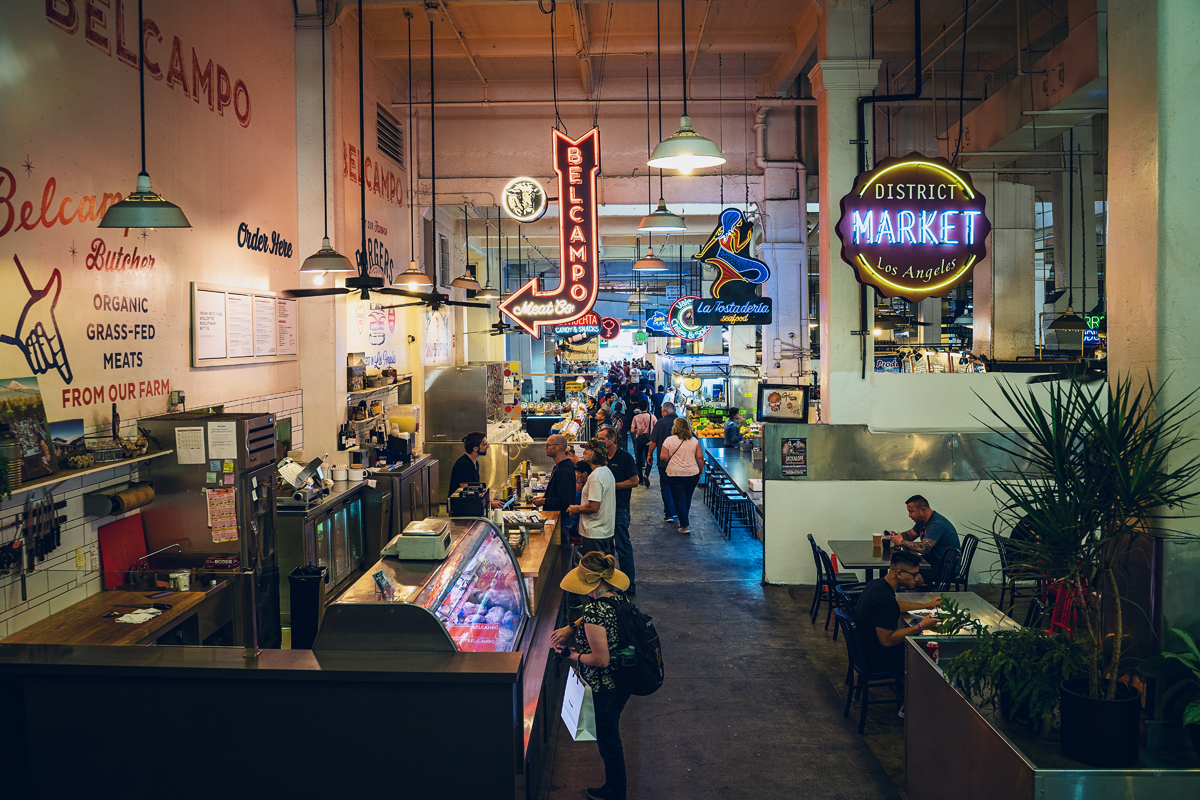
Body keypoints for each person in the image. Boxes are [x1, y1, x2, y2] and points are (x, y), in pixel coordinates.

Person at [551, 552, 634, 800]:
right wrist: (573, 626)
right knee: (610, 740)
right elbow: (594, 617)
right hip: (621, 680)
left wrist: (570, 655)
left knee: (609, 744)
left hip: (605, 686)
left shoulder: (596, 611)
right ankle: (613, 789)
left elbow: (600, 659)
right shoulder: (619, 597)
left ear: (591, 586)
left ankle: (615, 794)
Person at [855, 550, 942, 710]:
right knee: (926, 657)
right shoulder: (884, 600)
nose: (917, 579)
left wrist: (926, 606)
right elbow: (887, 641)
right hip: (877, 660)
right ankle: (914, 707)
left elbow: (896, 605)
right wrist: (921, 626)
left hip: (864, 651)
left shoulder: (877, 585)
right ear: (899, 573)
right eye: (914, 574)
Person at [597, 425, 639, 595]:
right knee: (607, 549)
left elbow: (634, 481)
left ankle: (628, 586)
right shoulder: (600, 458)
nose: (600, 441)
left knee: (623, 547)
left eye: (602, 439)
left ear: (612, 440)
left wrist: (611, 486)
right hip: (603, 509)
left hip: (619, 509)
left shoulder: (625, 458)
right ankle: (609, 584)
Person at [886, 494, 961, 581]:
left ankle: (921, 589)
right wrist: (894, 536)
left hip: (946, 567)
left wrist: (902, 542)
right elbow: (910, 535)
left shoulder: (936, 524)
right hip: (931, 561)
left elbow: (924, 548)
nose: (909, 515)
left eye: (911, 511)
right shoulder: (922, 521)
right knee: (900, 568)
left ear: (922, 510)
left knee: (906, 576)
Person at [569, 439, 616, 557]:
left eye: (586, 451)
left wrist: (576, 509)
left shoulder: (595, 476)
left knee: (593, 571)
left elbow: (594, 507)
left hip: (595, 534)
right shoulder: (607, 472)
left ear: (592, 454)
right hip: (605, 531)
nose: (583, 453)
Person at [659, 417, 706, 534]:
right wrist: (700, 472)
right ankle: (683, 520)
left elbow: (663, 457)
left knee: (679, 499)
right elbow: (700, 458)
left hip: (675, 474)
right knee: (687, 498)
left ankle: (685, 525)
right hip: (692, 473)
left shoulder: (668, 440)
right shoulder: (694, 441)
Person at [448, 431, 504, 508]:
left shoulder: (474, 462)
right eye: (484, 444)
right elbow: (466, 490)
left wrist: (490, 500)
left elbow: (475, 490)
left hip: (470, 505)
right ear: (475, 448)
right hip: (461, 508)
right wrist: (489, 503)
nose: (487, 446)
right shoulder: (463, 465)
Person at [646, 402, 679, 523]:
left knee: (666, 485)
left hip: (664, 461)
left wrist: (649, 454)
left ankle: (669, 513)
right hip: (679, 461)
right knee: (678, 486)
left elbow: (653, 442)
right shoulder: (681, 422)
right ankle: (676, 511)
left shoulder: (660, 422)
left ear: (665, 411)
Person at [532, 434, 576, 512]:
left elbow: (564, 501)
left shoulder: (564, 471)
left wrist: (544, 501)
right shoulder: (558, 467)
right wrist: (544, 498)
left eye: (548, 445)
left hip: (561, 519)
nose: (545, 447)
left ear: (558, 447)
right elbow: (557, 494)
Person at [629, 401, 657, 484]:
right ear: (647, 407)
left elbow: (632, 430)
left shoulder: (636, 417)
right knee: (650, 457)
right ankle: (646, 475)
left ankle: (640, 479)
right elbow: (657, 427)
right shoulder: (652, 417)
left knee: (639, 459)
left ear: (639, 408)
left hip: (639, 440)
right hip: (649, 440)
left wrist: (638, 430)